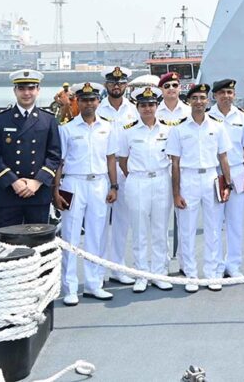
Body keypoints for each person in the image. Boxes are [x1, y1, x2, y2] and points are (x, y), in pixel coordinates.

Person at [54, 81, 118, 305]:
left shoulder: (107, 127)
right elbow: (59, 162)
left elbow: (111, 158)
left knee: (96, 235)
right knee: (70, 235)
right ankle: (70, 287)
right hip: (73, 183)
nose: (89, 104)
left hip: (99, 183)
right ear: (77, 102)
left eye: (92, 100)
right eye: (84, 100)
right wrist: (55, 190)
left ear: (98, 101)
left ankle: (94, 284)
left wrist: (114, 185)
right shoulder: (67, 129)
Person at [167, 83, 233, 293]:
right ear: (188, 101)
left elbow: (223, 157)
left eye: (202, 98)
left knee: (213, 229)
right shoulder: (179, 129)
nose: (198, 102)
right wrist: (176, 193)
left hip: (211, 179)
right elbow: (175, 163)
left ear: (208, 101)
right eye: (194, 98)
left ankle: (212, 273)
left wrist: (228, 184)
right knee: (187, 230)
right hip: (188, 179)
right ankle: (191, 274)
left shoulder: (217, 127)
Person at [108, 85, 174, 293]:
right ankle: (142, 274)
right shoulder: (128, 131)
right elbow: (122, 160)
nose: (147, 108)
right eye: (143, 105)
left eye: (151, 104)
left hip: (161, 180)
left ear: (157, 106)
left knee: (160, 229)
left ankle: (159, 273)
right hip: (137, 181)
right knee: (139, 230)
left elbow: (172, 157)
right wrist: (135, 177)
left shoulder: (167, 130)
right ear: (137, 107)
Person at [0, 69, 62, 228]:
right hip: (8, 193)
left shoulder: (48, 120)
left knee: (37, 241)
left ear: (38, 90)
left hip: (37, 193)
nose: (26, 93)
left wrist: (37, 181)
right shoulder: (0, 120)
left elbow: (54, 155)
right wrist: (14, 181)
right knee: (8, 241)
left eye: (31, 88)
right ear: (15, 91)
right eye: (21, 88)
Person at [209, 78, 244, 278]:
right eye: (222, 93)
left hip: (237, 171)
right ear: (215, 96)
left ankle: (233, 265)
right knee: (214, 223)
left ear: (234, 95)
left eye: (229, 92)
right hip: (215, 173)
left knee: (235, 222)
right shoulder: (208, 117)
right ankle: (217, 266)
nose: (226, 96)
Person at [97, 66, 138, 285]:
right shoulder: (97, 108)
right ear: (106, 85)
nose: (116, 86)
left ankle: (117, 268)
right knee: (99, 224)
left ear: (126, 85)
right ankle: (98, 272)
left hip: (126, 172)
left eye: (121, 82)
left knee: (122, 223)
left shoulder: (134, 110)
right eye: (113, 82)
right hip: (101, 172)